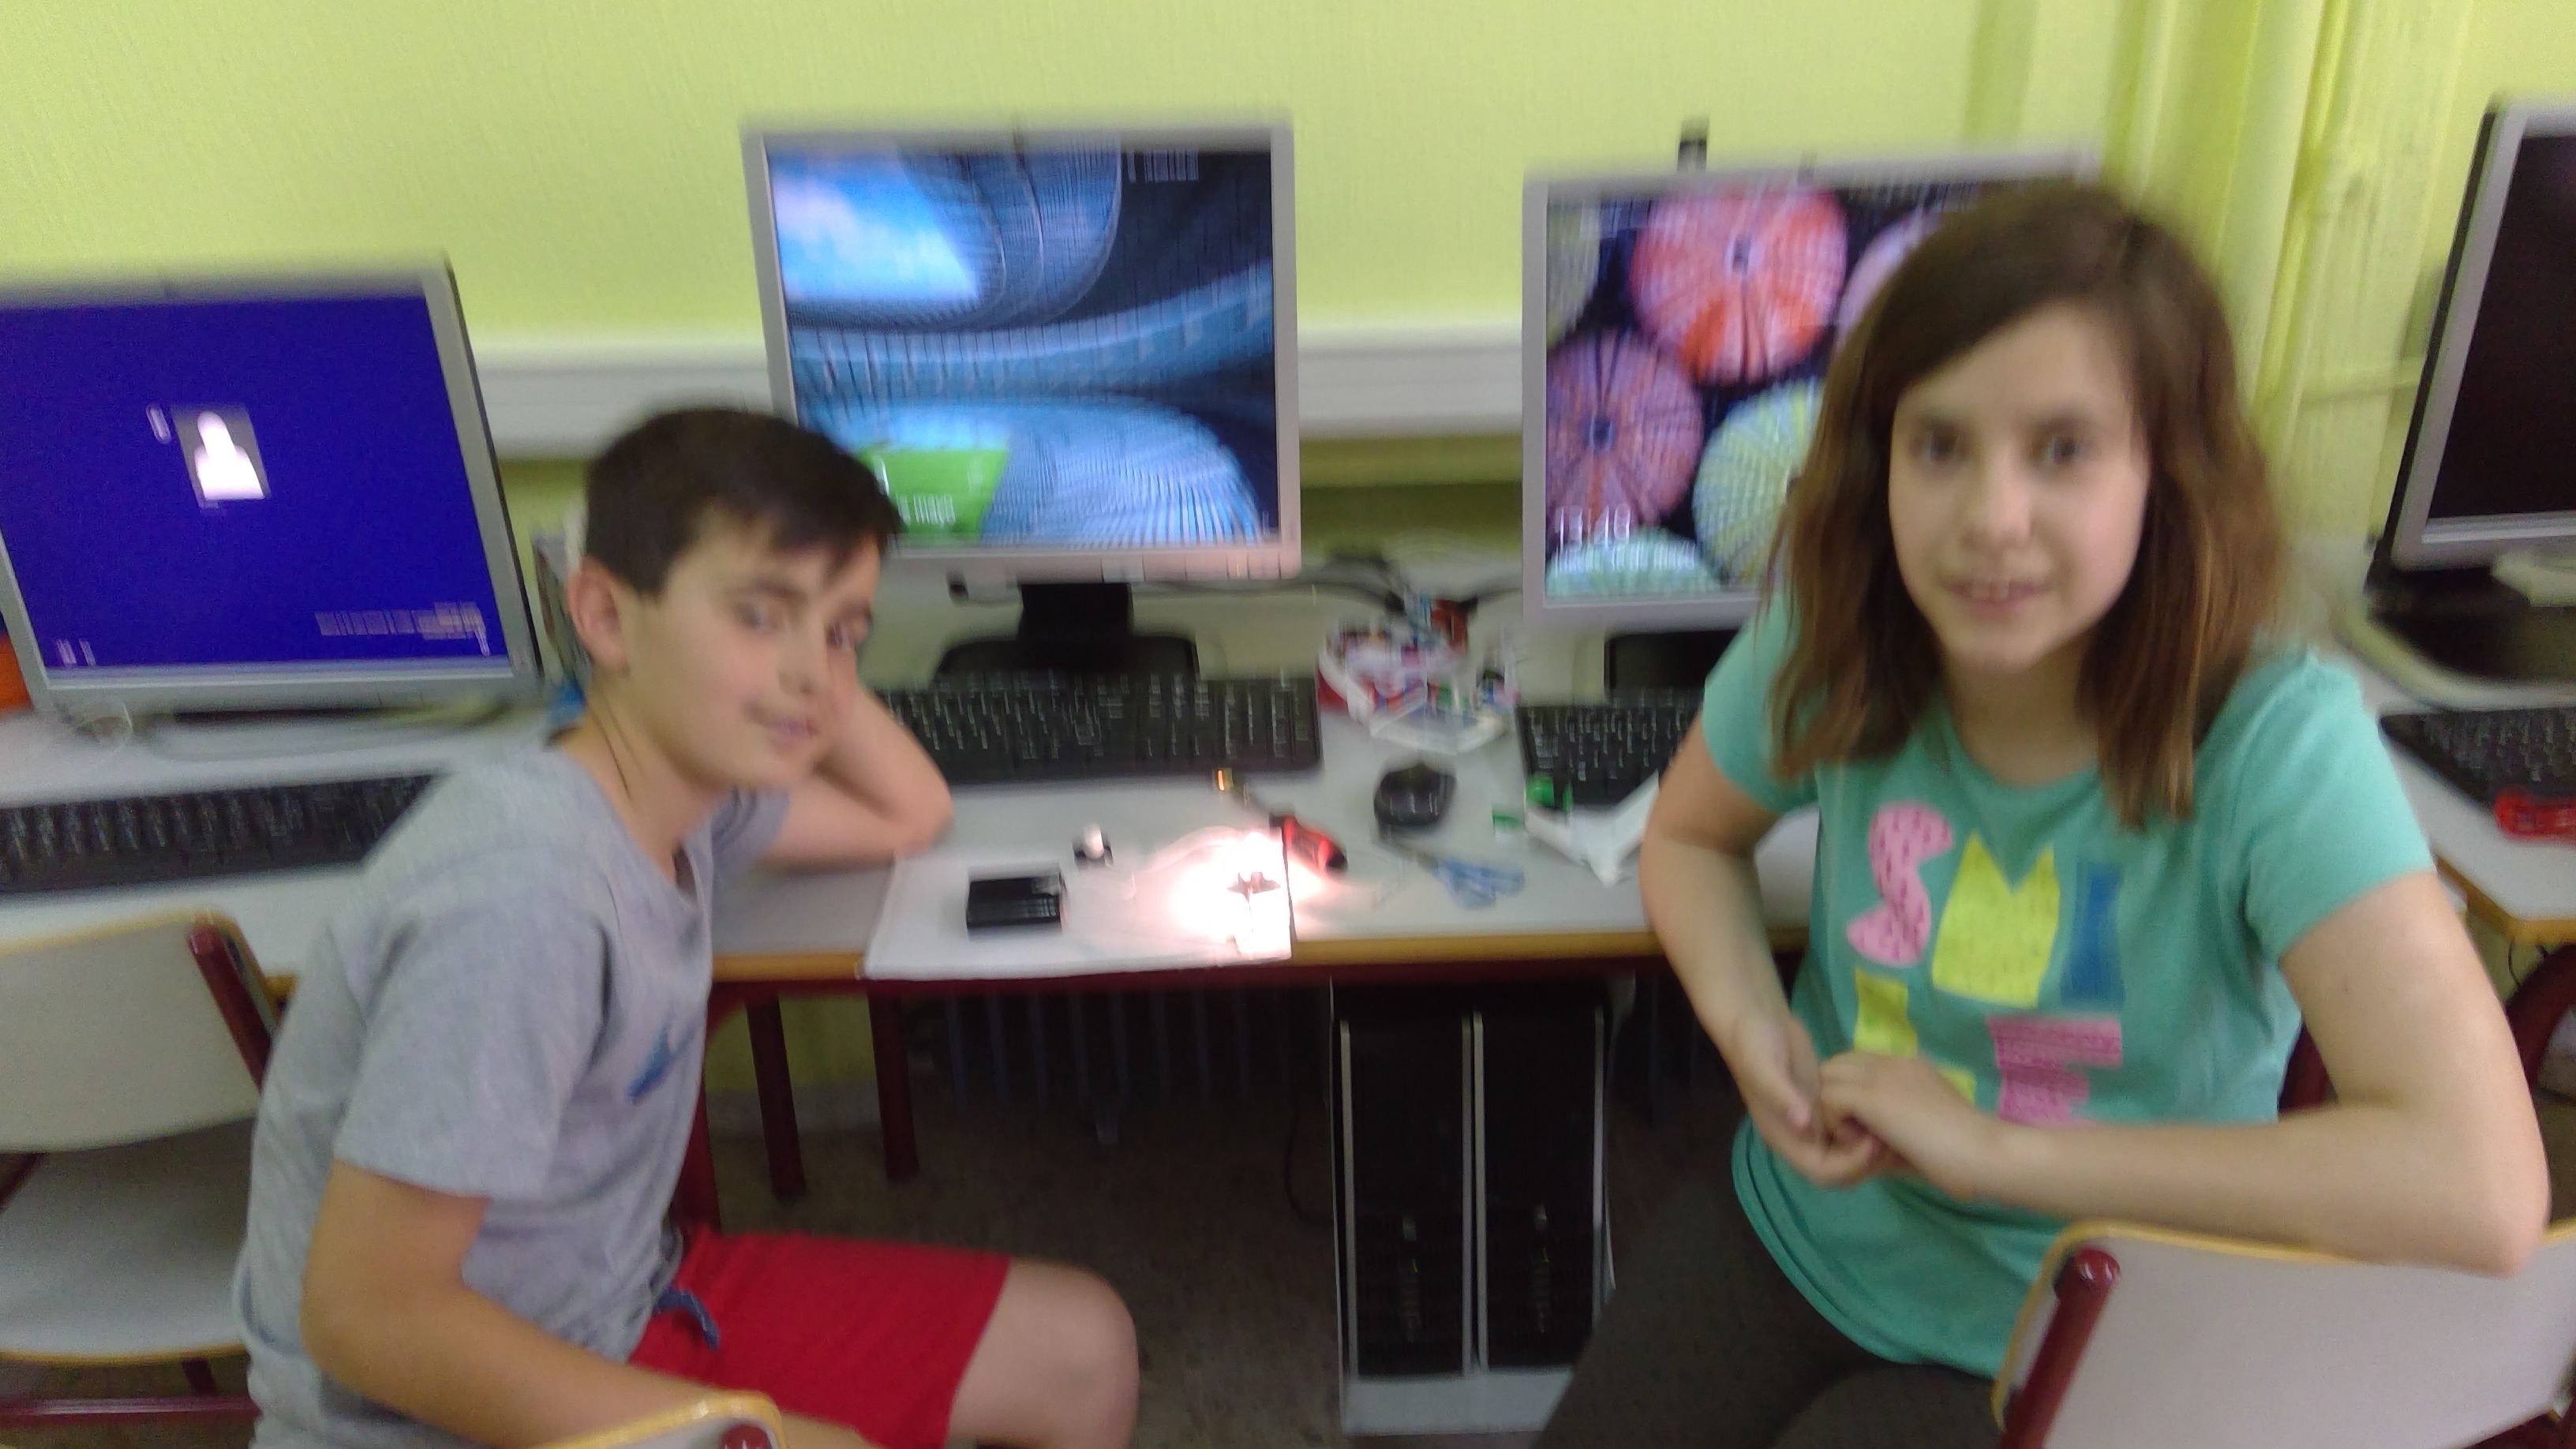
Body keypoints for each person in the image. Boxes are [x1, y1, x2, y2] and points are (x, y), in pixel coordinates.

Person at [1538, 182, 2548, 1449]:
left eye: (2063, 450)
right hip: (1808, 1230)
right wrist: (1753, 1032)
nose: (1991, 521)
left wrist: (1996, 1155)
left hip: (2088, 1312)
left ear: (2166, 475)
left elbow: (2480, 1187)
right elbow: (1692, 838)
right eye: (1939, 446)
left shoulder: (2276, 741)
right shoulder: (1837, 636)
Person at [234, 408, 1140, 1449]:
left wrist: (796, 662)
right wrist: (743, 1429)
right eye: (759, 614)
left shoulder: (687, 795)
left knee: (1083, 1348)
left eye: (847, 632)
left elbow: (909, 811)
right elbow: (367, 1320)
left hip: (616, 1297)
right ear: (604, 617)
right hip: (426, 1410)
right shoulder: (525, 895)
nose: (817, 672)